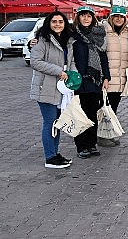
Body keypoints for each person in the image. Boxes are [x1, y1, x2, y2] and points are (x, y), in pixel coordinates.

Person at [30, 11, 76, 169]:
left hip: (62, 88)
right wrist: (58, 71)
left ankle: (55, 154)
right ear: (48, 23)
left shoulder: (67, 41)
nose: (57, 24)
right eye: (54, 21)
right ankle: (50, 157)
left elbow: (71, 62)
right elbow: (35, 62)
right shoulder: (42, 40)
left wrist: (73, 74)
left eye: (60, 22)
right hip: (46, 87)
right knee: (50, 122)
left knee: (57, 123)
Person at [72, 6, 110, 159]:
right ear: (78, 18)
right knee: (80, 114)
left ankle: (91, 144)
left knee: (92, 114)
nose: (86, 19)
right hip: (78, 81)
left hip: (95, 81)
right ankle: (81, 146)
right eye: (83, 16)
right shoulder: (72, 35)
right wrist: (33, 43)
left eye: (89, 16)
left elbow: (103, 58)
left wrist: (106, 77)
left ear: (93, 18)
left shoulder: (98, 35)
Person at [99, 5, 128, 147]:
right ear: (111, 17)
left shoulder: (127, 33)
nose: (118, 19)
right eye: (116, 16)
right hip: (106, 78)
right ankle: (101, 136)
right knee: (103, 108)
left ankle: (109, 133)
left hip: (120, 78)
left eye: (121, 16)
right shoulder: (102, 31)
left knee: (112, 108)